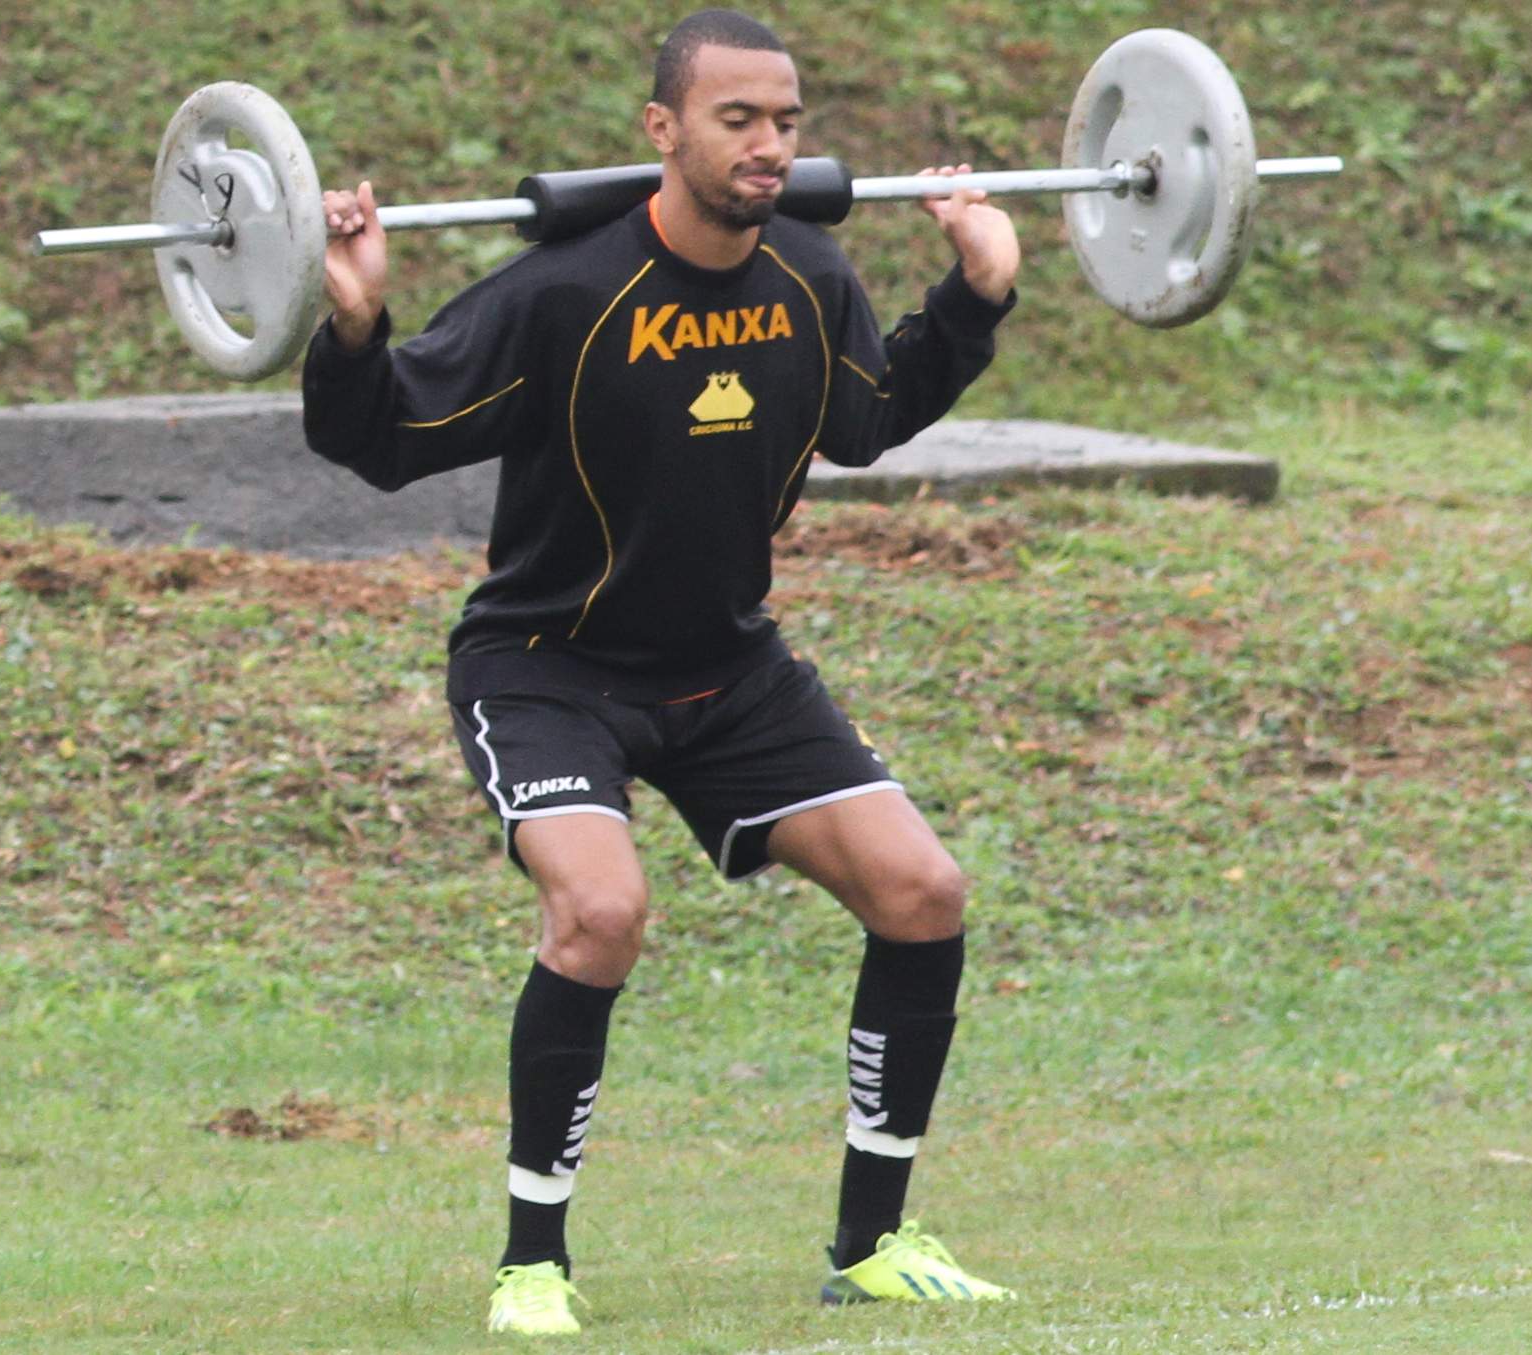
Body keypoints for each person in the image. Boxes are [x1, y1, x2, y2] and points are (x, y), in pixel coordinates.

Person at [301, 7, 1021, 1336]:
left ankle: (871, 1245)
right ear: (662, 129)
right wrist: (353, 327)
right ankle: (533, 1265)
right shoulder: (562, 292)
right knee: (600, 912)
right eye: (735, 119)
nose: (768, 144)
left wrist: (973, 297)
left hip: (728, 670)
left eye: (785, 122)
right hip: (545, 667)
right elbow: (387, 438)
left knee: (923, 892)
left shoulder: (809, 275)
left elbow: (866, 419)